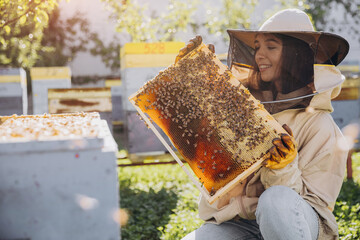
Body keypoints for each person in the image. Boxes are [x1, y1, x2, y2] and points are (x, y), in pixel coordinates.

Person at [180, 8, 350, 240]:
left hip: (299, 226)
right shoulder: (244, 108)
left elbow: (302, 205)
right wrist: (192, 80)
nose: (259, 54)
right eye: (257, 46)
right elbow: (208, 152)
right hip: (240, 224)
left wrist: (282, 167)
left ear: (297, 54)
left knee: (275, 201)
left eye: (271, 46)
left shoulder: (321, 126)